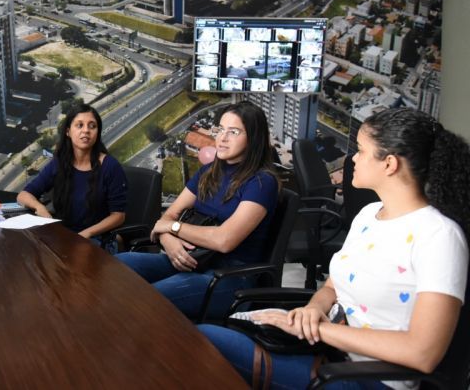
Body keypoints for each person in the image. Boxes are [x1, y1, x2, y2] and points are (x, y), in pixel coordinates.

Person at [200, 107, 470, 389]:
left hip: (369, 379)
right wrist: (313, 309)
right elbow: (332, 287)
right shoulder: (369, 215)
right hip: (328, 354)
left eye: (361, 151)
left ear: (389, 164)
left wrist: (320, 330)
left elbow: (422, 353)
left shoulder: (439, 235)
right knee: (204, 337)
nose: (353, 158)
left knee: (205, 343)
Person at [116, 101, 279, 319]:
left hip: (228, 276)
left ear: (253, 137)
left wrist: (172, 228)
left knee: (146, 299)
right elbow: (169, 215)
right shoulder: (208, 172)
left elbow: (224, 240)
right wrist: (169, 241)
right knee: (116, 266)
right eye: (220, 129)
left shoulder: (261, 182)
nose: (222, 138)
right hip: (193, 259)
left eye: (234, 132)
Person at [17, 103, 126, 252]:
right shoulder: (60, 163)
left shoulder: (110, 167)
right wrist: (40, 208)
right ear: (68, 131)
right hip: (63, 236)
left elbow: (118, 216)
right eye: (79, 125)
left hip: (96, 240)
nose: (86, 130)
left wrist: (87, 233)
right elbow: (24, 195)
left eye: (92, 126)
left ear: (97, 132)